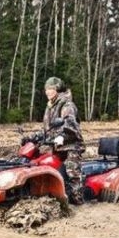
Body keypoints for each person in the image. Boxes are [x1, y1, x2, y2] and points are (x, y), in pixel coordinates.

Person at [42, 76, 85, 204]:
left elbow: (70, 124)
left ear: (58, 89)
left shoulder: (67, 104)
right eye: (46, 89)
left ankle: (78, 202)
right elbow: (48, 129)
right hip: (57, 146)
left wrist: (62, 136)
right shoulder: (50, 106)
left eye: (51, 88)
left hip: (71, 145)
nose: (48, 92)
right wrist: (32, 138)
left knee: (72, 173)